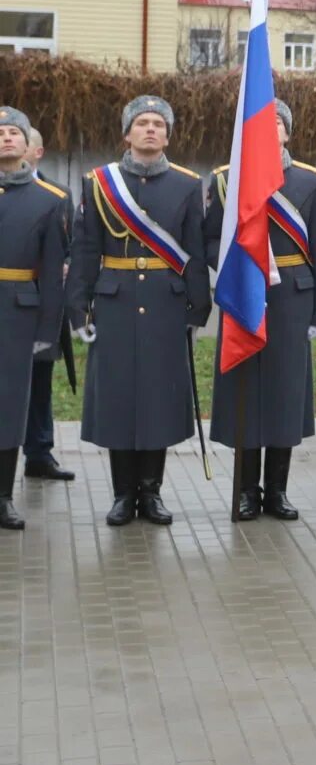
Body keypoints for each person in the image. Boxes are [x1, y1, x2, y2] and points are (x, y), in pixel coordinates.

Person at [68, 95, 210, 527]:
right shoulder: (98, 183)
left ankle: (151, 493)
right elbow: (86, 248)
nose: (150, 129)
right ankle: (122, 494)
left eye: (158, 124)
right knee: (119, 399)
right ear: (126, 133)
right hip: (114, 303)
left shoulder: (187, 184)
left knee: (158, 399)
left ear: (168, 135)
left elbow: (195, 253)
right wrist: (79, 310)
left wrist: (197, 308)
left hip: (167, 305)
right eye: (142, 123)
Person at [205, 99, 316, 521]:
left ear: (288, 132)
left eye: (277, 121)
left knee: (283, 394)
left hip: (292, 298)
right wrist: (238, 267)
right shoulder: (226, 181)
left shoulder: (310, 183)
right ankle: (245, 490)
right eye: (261, 121)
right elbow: (209, 241)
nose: (269, 127)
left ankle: (276, 491)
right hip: (244, 294)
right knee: (246, 392)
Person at [0, 107, 68, 529]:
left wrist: (48, 331)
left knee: (9, 406)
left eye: (14, 133)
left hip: (18, 314)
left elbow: (55, 272)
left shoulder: (50, 200)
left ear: (29, 146)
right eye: (0, 132)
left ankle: (3, 497)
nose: (7, 138)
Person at [21, 125, 72, 483]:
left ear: (36, 152)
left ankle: (39, 452)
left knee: (40, 377)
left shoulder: (59, 194)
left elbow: (72, 243)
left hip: (43, 299)